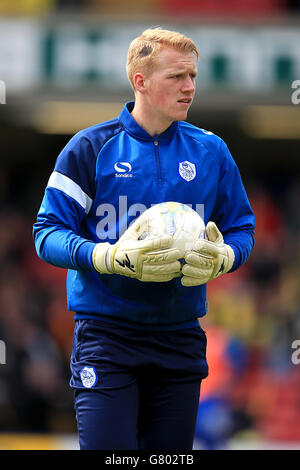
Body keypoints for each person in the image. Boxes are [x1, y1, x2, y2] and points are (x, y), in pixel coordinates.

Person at [33, 27, 255, 450]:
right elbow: (46, 233)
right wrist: (106, 257)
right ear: (141, 81)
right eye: (176, 77)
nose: (190, 87)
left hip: (180, 335)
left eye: (193, 76)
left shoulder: (212, 152)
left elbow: (243, 228)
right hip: (106, 337)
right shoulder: (89, 148)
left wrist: (224, 256)